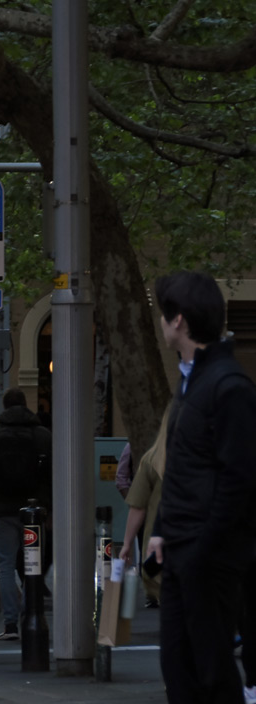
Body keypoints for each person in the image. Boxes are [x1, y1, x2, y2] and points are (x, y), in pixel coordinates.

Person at [146, 271, 256, 704]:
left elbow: (240, 480)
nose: (160, 322)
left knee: (211, 670)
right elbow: (180, 470)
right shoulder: (192, 384)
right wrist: (161, 529)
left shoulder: (229, 388)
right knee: (178, 666)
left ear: (180, 322)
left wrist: (202, 548)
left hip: (207, 556)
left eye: (163, 315)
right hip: (181, 550)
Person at [0, 387, 52, 641]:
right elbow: (53, 471)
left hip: (3, 509)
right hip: (34, 511)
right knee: (32, 565)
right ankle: (31, 617)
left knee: (5, 566)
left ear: (4, 407)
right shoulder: (42, 435)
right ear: (26, 406)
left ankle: (10, 623)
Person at [119, 404, 171, 610]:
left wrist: (127, 543)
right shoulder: (210, 455)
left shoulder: (152, 458)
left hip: (159, 550)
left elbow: (138, 506)